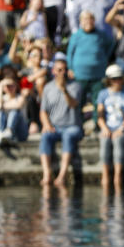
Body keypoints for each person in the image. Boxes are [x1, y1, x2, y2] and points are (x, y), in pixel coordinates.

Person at [39, 54, 84, 187]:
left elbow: (73, 104)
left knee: (68, 135)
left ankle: (62, 175)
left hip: (72, 126)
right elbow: (43, 111)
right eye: (59, 70)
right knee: (45, 136)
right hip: (55, 127)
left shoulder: (76, 86)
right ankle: (47, 174)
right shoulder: (47, 87)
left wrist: (64, 89)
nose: (62, 73)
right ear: (53, 71)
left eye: (64, 69)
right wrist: (46, 125)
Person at [66, 11, 114, 118]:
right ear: (80, 21)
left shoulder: (101, 34)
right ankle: (78, 124)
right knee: (79, 101)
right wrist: (70, 68)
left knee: (98, 102)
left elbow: (111, 45)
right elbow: (70, 54)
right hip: (80, 75)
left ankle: (98, 124)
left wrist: (104, 58)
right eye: (85, 19)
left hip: (98, 74)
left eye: (90, 18)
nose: (88, 21)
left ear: (94, 20)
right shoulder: (76, 36)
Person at [96, 64, 124, 188]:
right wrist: (104, 128)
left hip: (123, 129)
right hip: (108, 127)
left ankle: (117, 176)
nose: (117, 81)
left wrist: (121, 128)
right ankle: (105, 174)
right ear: (109, 80)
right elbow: (100, 115)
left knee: (117, 140)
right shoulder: (103, 94)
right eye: (114, 79)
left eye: (119, 78)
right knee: (104, 140)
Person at [0, 67, 28, 145]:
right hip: (4, 133)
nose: (10, 88)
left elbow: (17, 105)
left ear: (16, 86)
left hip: (20, 132)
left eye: (12, 85)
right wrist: (0, 85)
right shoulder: (3, 98)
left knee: (14, 112)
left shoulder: (20, 97)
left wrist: (0, 106)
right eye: (7, 86)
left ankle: (9, 131)